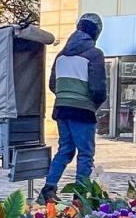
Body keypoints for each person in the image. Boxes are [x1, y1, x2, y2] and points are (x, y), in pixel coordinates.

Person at [40, 12, 108, 202]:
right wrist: (92, 104)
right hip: (83, 110)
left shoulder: (61, 54)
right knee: (85, 154)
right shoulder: (95, 54)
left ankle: (49, 188)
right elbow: (98, 88)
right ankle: (80, 195)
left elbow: (53, 84)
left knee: (65, 150)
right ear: (96, 32)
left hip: (62, 109)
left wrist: (66, 96)